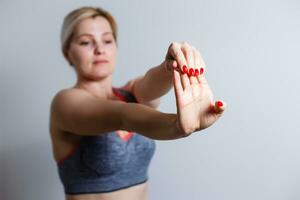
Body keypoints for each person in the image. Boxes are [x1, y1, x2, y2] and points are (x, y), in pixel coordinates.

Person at [49, 6, 226, 200]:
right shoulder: (64, 103)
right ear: (67, 52)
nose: (100, 49)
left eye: (107, 40)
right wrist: (177, 125)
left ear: (116, 46)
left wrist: (171, 65)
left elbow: (150, 83)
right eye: (85, 42)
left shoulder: (130, 93)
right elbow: (123, 116)